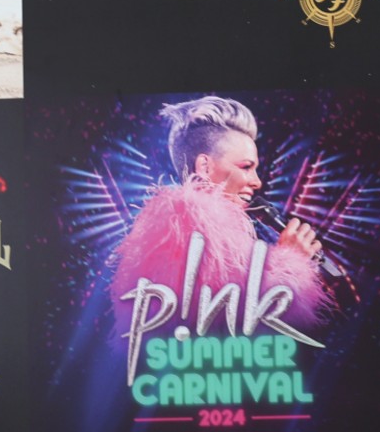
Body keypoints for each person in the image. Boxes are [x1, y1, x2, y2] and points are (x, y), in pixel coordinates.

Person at [109, 96, 333, 338]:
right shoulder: (187, 228)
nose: (257, 181)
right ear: (205, 167)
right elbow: (228, 330)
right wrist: (291, 262)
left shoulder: (201, 230)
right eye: (246, 167)